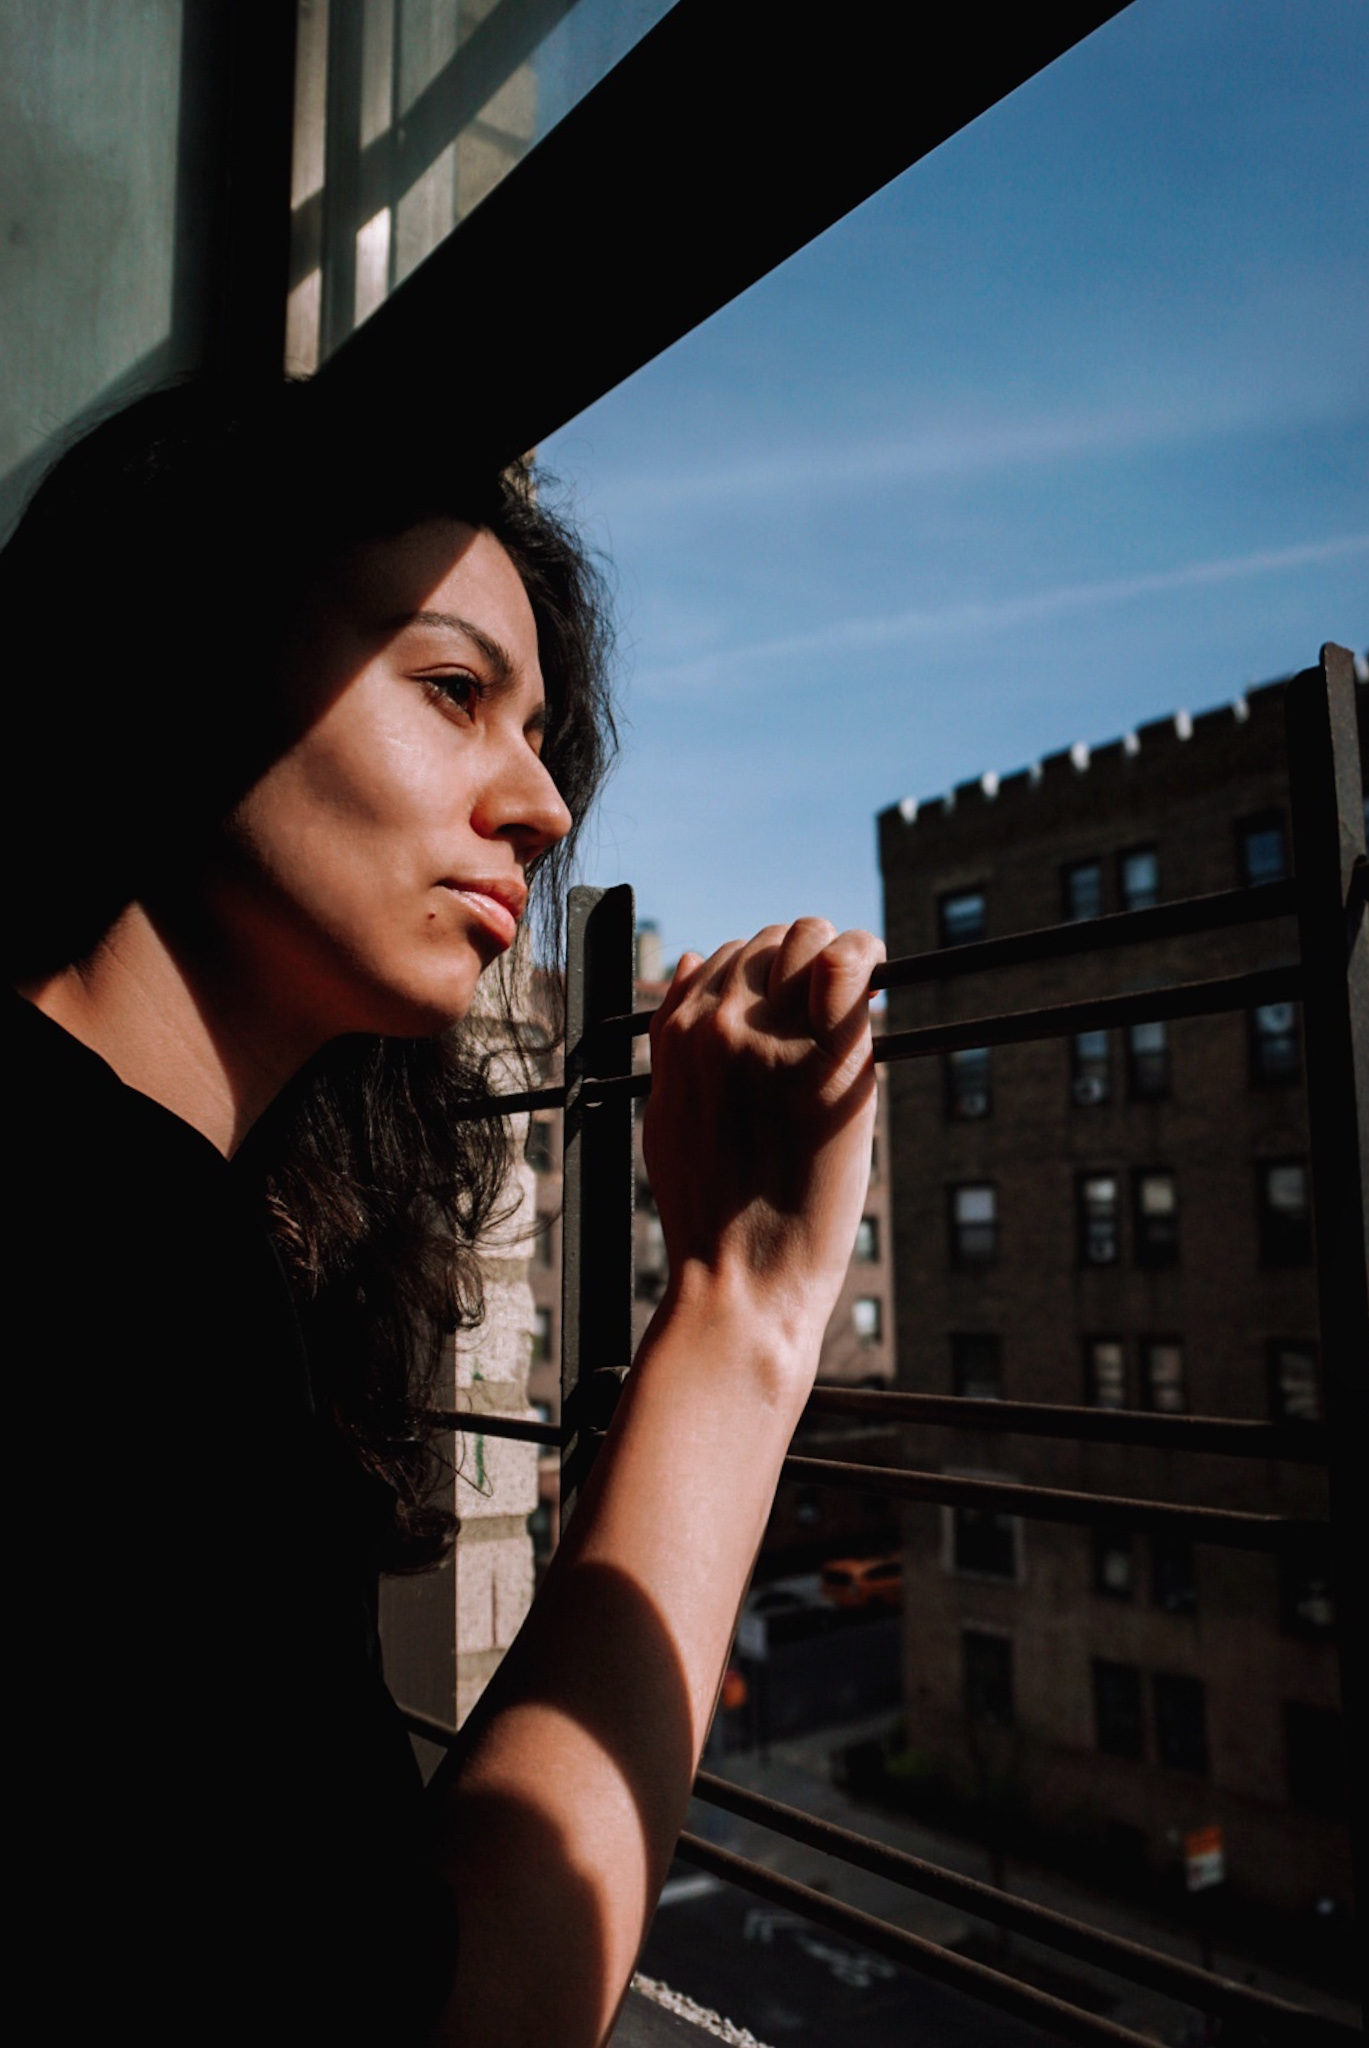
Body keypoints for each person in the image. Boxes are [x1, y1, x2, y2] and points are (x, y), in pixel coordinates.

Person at [4, 381, 882, 2047]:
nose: (545, 809)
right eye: (454, 689)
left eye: (539, 732)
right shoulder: (113, 1270)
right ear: (185, 656)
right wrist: (744, 1313)